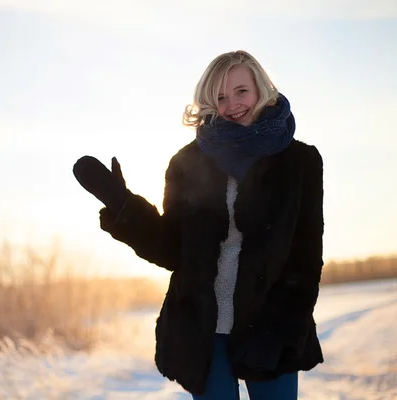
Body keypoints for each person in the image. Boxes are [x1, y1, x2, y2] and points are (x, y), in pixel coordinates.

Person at [72, 50, 324, 400]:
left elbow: (306, 258)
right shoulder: (187, 164)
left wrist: (284, 327)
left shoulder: (300, 162)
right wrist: (124, 207)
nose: (232, 104)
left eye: (241, 91)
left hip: (271, 325)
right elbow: (172, 249)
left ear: (261, 91)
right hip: (204, 329)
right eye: (220, 97)